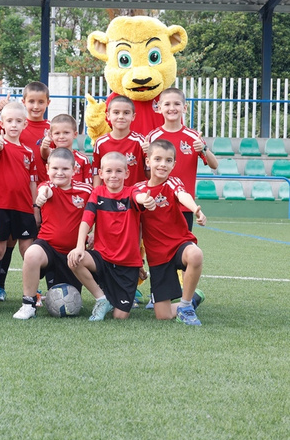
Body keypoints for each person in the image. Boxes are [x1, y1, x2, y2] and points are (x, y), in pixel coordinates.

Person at [0, 82, 50, 298]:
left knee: (28, 250)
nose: (13, 125)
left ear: (23, 125)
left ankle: (32, 291)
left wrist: (35, 207)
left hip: (25, 207)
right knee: (0, 248)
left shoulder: (29, 152)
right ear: (3, 124)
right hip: (0, 205)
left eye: (18, 122)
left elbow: (32, 181)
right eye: (9, 121)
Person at [13, 148, 100, 319]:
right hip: (48, 248)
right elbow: (45, 191)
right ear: (47, 169)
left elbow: (98, 216)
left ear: (74, 170)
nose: (59, 173)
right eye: (55, 169)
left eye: (65, 169)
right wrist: (41, 198)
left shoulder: (86, 191)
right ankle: (28, 305)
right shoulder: (46, 186)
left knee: (70, 295)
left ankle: (106, 297)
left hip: (73, 253)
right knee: (31, 253)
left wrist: (94, 236)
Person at [134, 139, 207, 325]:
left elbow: (183, 195)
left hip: (178, 245)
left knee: (195, 254)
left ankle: (185, 304)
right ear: (148, 161)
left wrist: (195, 209)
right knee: (163, 315)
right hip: (157, 255)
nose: (162, 164)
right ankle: (194, 299)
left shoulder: (173, 182)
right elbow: (137, 222)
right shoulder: (138, 189)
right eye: (157, 159)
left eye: (168, 160)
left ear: (174, 164)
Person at [67, 152, 143, 321]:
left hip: (127, 264)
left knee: (120, 317)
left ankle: (114, 299)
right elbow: (86, 221)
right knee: (75, 259)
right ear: (101, 173)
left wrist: (145, 198)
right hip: (103, 257)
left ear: (126, 173)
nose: (113, 176)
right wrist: (80, 247)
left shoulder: (132, 193)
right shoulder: (97, 193)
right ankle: (102, 299)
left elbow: (140, 197)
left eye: (118, 171)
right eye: (108, 171)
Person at [146, 87, 219, 231]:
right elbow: (147, 172)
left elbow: (214, 165)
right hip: (158, 203)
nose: (172, 108)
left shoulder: (193, 137)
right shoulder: (152, 137)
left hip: (184, 206)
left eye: (177, 104)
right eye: (167, 104)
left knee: (183, 249)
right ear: (159, 108)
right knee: (157, 249)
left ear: (184, 108)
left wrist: (204, 148)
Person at [92, 95, 147, 187]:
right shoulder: (100, 142)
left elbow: (149, 170)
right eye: (116, 112)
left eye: (126, 113)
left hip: (134, 196)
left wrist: (150, 152)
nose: (121, 117)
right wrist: (96, 195)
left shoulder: (140, 141)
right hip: (109, 197)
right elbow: (96, 172)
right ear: (108, 116)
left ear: (133, 116)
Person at [40, 114, 93, 185]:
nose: (61, 136)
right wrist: (44, 146)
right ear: (51, 136)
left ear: (75, 134)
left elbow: (88, 185)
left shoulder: (83, 159)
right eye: (57, 133)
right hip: (54, 195)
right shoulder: (50, 155)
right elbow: (44, 154)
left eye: (66, 133)